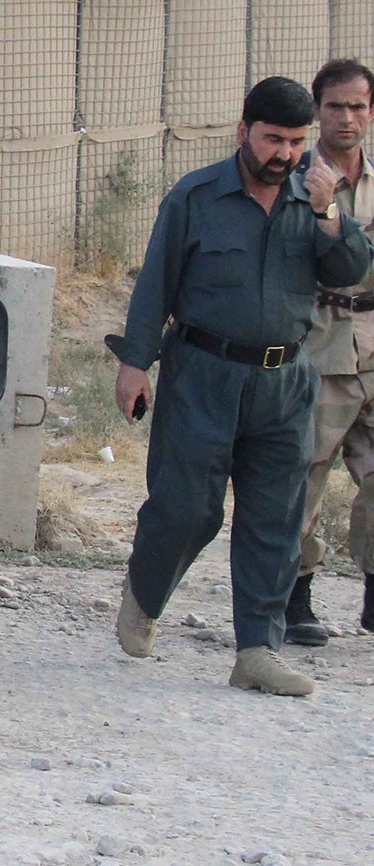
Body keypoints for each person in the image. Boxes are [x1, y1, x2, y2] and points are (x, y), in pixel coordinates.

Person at [107, 76, 373, 697]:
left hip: (285, 382)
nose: (284, 154)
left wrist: (329, 211)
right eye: (273, 139)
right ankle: (144, 593)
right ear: (243, 133)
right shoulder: (197, 196)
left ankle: (257, 649)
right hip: (203, 374)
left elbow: (351, 270)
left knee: (275, 519)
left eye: (295, 142)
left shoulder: (317, 200)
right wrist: (134, 364)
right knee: (187, 508)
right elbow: (157, 284)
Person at [293, 58, 374, 643]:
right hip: (320, 345)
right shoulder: (294, 177)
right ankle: (296, 596)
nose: (347, 118)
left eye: (358, 106)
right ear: (317, 110)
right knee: (305, 476)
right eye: (335, 106)